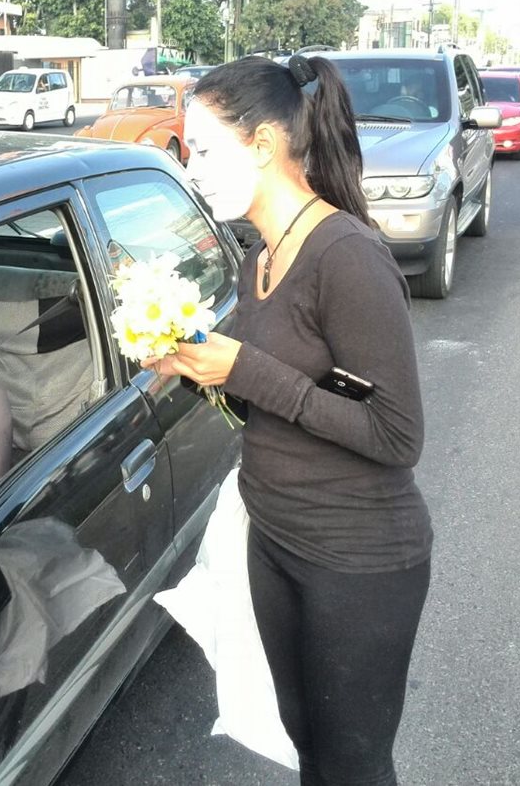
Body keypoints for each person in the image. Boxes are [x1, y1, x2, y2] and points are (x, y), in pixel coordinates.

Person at [147, 54, 432, 786]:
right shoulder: (261, 257)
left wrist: (243, 367)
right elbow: (264, 408)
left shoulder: (350, 257)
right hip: (275, 536)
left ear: (266, 146)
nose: (192, 166)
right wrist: (194, 374)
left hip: (356, 556)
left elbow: (398, 436)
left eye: (204, 149)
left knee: (354, 762)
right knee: (307, 740)